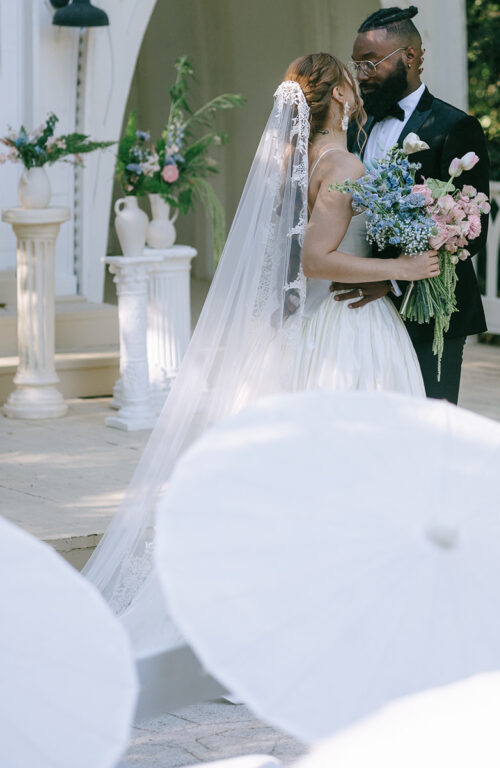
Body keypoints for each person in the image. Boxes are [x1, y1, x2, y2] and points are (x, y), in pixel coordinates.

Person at [83, 52, 436, 656]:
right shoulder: (343, 161)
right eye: (352, 83)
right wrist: (403, 265)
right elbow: (316, 260)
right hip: (347, 326)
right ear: (342, 98)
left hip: (324, 324)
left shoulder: (293, 162)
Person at [333, 5, 490, 404]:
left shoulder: (454, 127)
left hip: (430, 309)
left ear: (411, 57)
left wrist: (392, 280)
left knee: (429, 424)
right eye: (357, 65)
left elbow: (469, 233)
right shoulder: (357, 124)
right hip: (360, 311)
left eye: (371, 63)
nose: (361, 75)